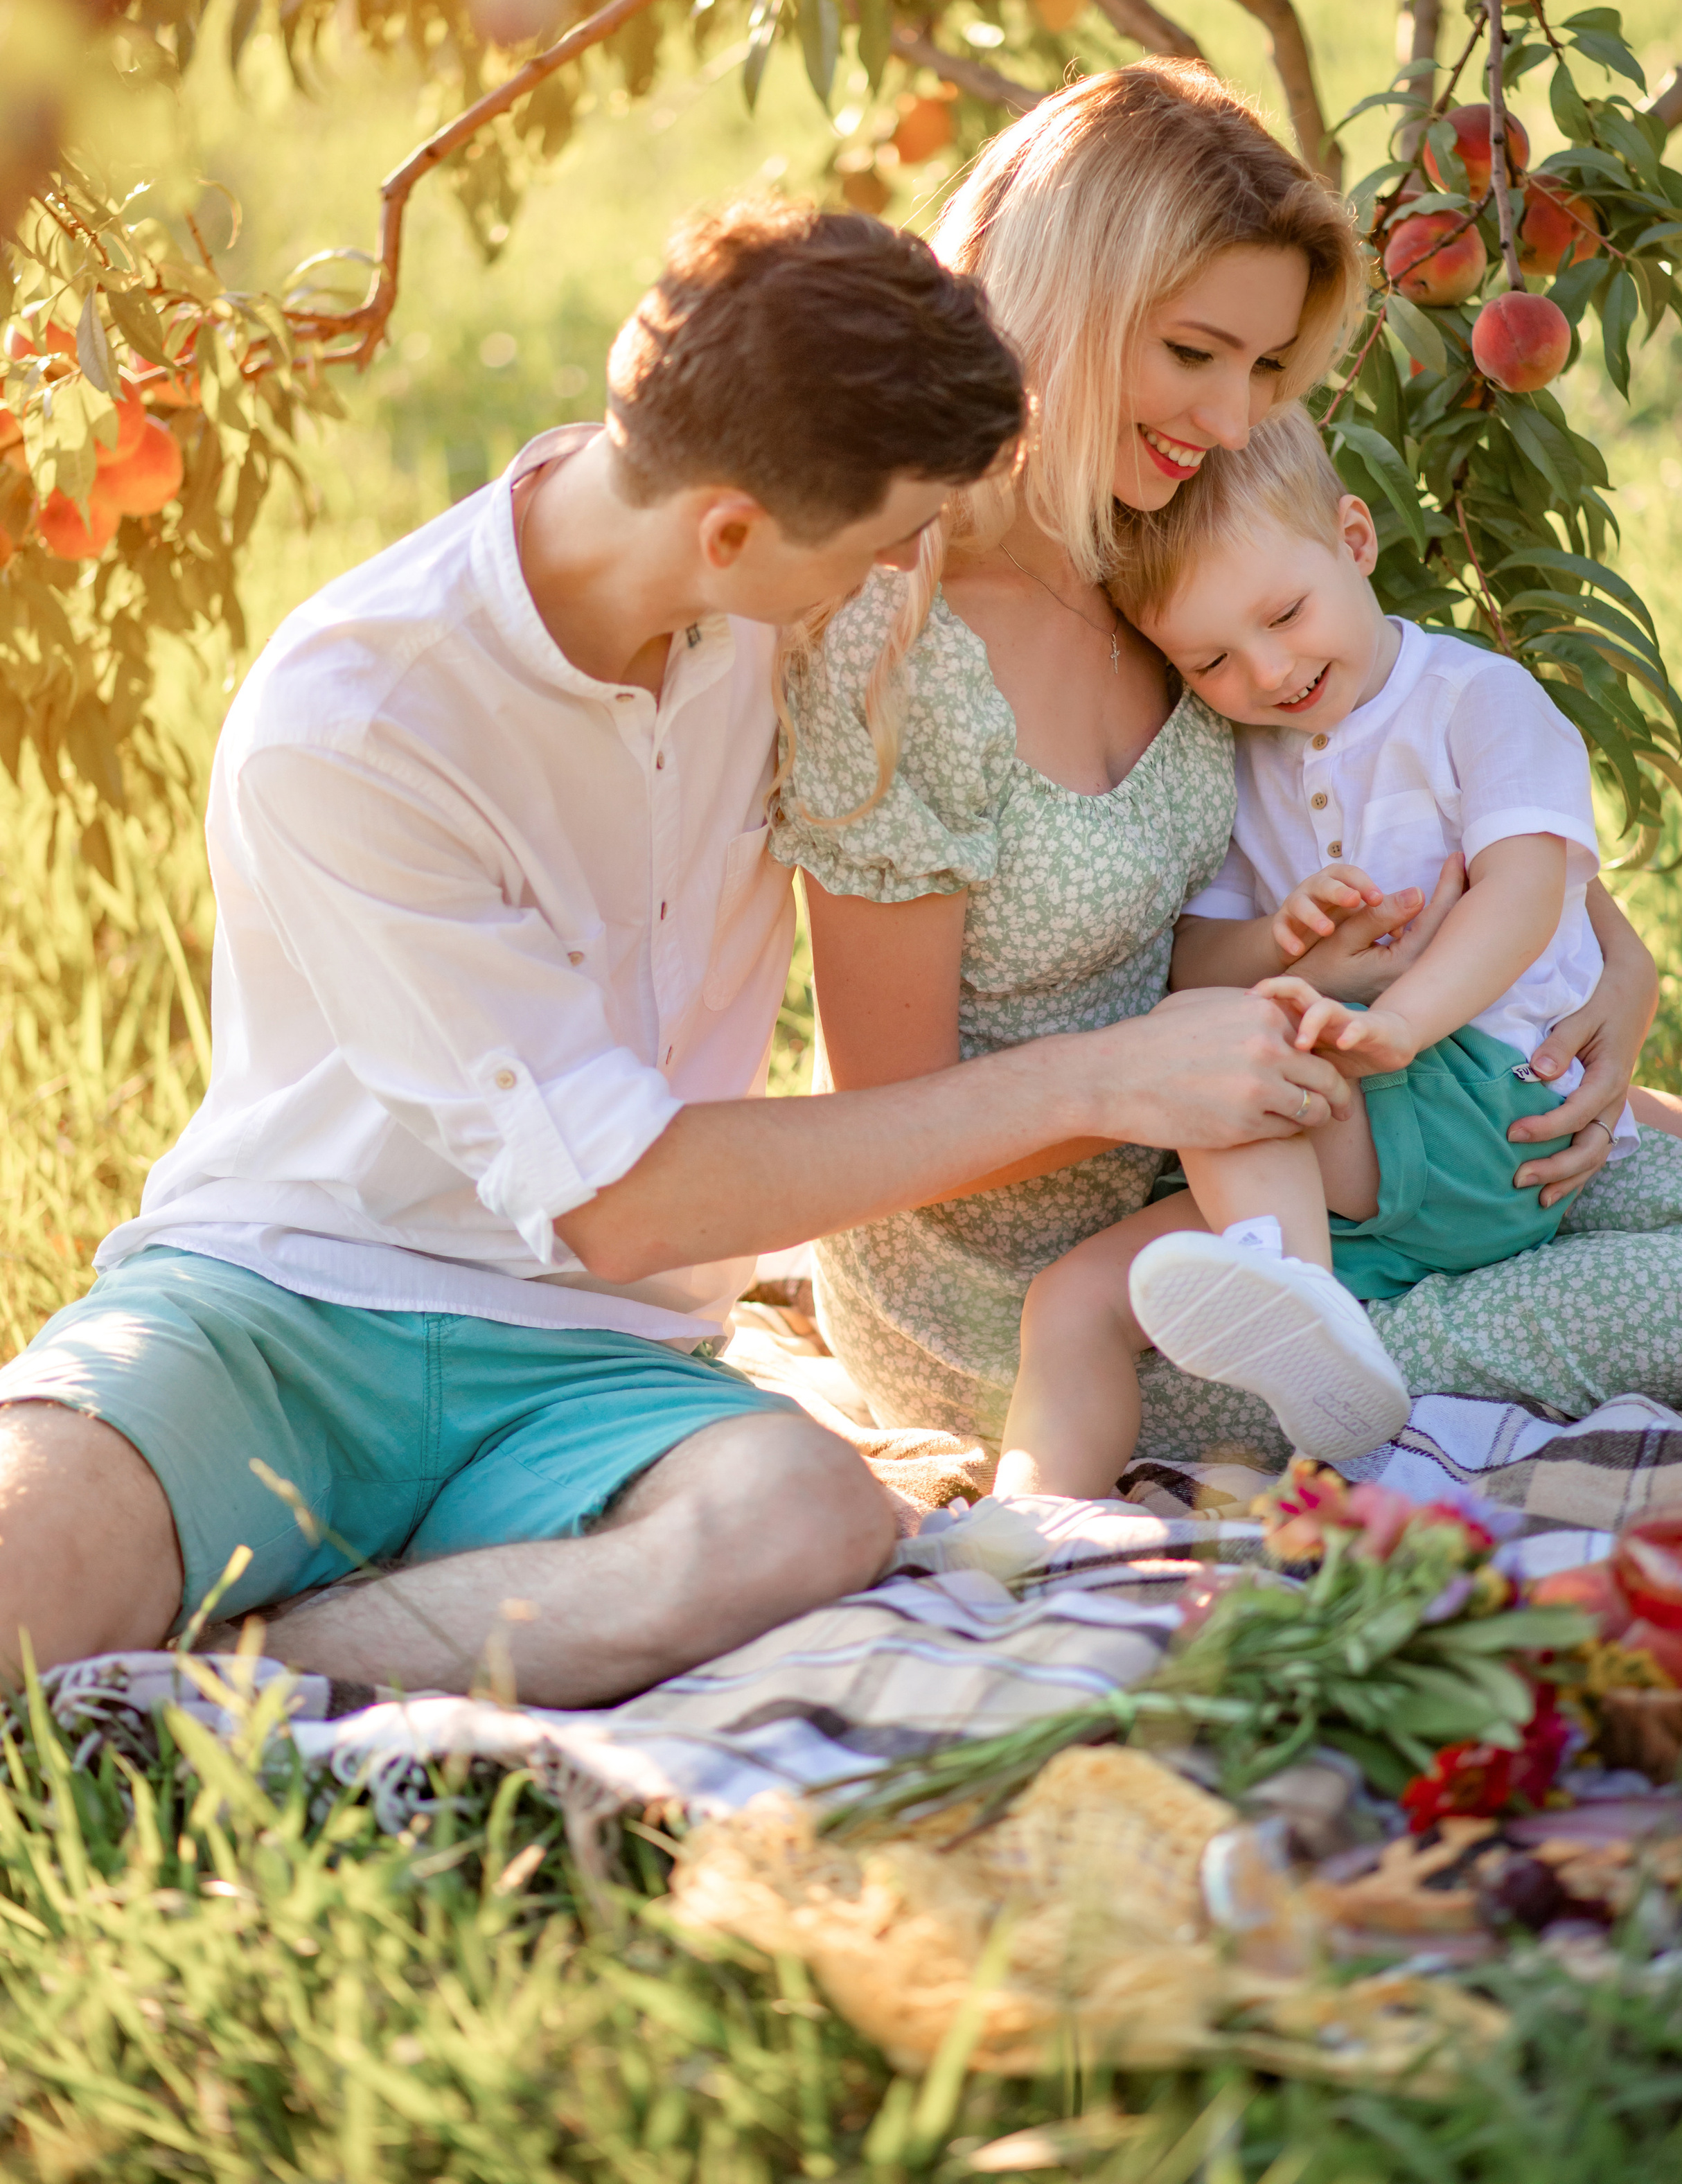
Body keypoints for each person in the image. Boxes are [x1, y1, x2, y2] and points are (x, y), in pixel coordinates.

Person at [0, 197, 1358, 1703]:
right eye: (892, 539)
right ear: (729, 532)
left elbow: (998, 401)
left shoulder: (765, 593)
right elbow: (622, 1201)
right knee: (23, 1565)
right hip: (283, 1310)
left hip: (590, 1362)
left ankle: (225, 1674)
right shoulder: (357, 726)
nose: (919, 566)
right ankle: (162, 1618)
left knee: (802, 1519)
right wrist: (1106, 1080)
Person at [777, 61, 1682, 1475]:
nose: (1233, 421)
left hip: (1298, 1142)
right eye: (1192, 354)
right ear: (1062, 305)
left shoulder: (1177, 562)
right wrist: (1146, 1084)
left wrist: (1618, 968)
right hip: (1056, 1294)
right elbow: (880, 1128)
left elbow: (1416, 783)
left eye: (1262, 368)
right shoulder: (901, 649)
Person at [996, 409, 1646, 1493]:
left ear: (1355, 541)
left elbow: (1525, 897)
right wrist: (1278, 942)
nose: (1268, 671)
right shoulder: (1246, 758)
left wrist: (1396, 1024)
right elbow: (1200, 959)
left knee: (1202, 1055)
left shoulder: (1475, 701)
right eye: (1209, 660)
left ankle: (1289, 1298)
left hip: (1491, 1106)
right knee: (1070, 1300)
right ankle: (1029, 1535)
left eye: (1285, 614)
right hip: (1337, 1161)